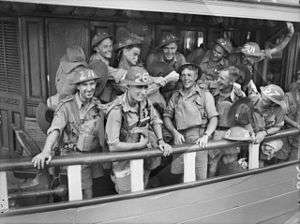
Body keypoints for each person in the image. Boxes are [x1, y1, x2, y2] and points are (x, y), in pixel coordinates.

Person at [32, 67, 106, 199]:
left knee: (88, 194)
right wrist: (46, 151)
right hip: (71, 158)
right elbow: (55, 129)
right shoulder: (66, 105)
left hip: (90, 157)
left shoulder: (97, 104)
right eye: (85, 84)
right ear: (77, 86)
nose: (89, 88)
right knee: (76, 196)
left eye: (92, 83)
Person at [105, 66, 173, 194]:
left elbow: (155, 120)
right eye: (139, 87)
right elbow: (113, 146)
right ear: (128, 86)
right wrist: (140, 145)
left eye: (145, 87)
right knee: (127, 197)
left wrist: (160, 141)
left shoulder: (145, 102)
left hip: (143, 159)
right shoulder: (117, 110)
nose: (143, 91)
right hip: (124, 163)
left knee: (142, 191)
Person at [163, 63, 218, 180]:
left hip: (198, 138)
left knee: (199, 175)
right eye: (183, 75)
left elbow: (213, 118)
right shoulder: (176, 96)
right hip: (180, 138)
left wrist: (206, 136)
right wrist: (174, 132)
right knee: (180, 174)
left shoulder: (205, 95)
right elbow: (167, 116)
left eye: (189, 75)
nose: (186, 78)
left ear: (195, 77)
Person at [209, 66, 245, 177]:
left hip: (231, 134)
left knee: (229, 161)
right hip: (214, 133)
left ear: (231, 82)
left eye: (222, 78)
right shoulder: (212, 91)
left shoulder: (239, 96)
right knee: (212, 163)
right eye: (218, 77)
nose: (218, 80)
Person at [89, 31, 127, 103]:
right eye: (105, 47)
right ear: (96, 49)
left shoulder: (102, 61)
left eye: (110, 46)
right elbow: (119, 73)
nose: (109, 49)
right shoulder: (97, 64)